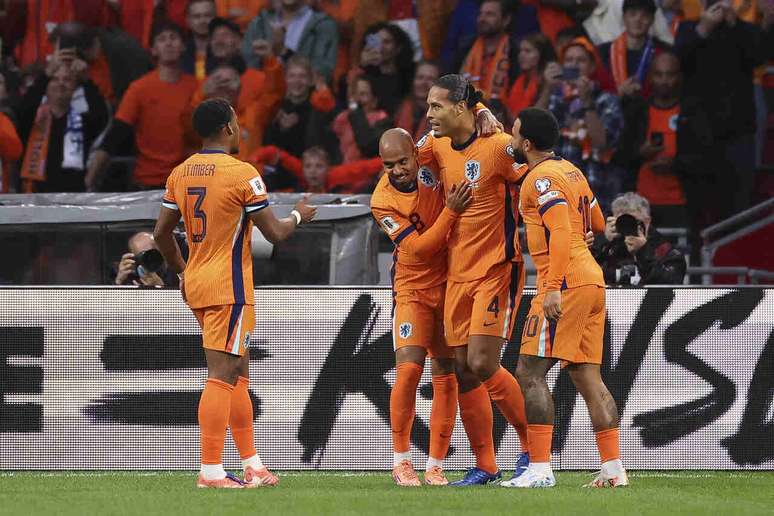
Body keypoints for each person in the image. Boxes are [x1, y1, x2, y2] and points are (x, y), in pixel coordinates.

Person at [153, 97, 316, 488]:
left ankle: (252, 463)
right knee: (222, 376)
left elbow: (161, 234)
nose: (240, 128)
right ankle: (210, 470)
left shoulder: (181, 173)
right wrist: (298, 215)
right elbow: (274, 233)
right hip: (230, 287)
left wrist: (181, 271)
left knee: (238, 372)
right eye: (237, 122)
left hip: (197, 283)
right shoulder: (244, 174)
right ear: (228, 127)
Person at [500, 107, 628, 489]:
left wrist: (552, 285)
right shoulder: (571, 170)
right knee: (587, 376)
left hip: (565, 282)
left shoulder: (538, 180)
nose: (509, 138)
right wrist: (580, 234)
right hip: (591, 279)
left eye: (514, 133)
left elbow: (557, 230)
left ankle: (539, 468)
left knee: (529, 371)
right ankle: (613, 467)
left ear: (526, 143)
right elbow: (599, 224)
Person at [416, 74, 530, 486]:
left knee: (483, 362)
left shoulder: (499, 147)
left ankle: (532, 450)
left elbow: (538, 172)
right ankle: (486, 464)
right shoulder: (436, 145)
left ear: (460, 107)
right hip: (456, 274)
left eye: (436, 106)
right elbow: (403, 158)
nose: (428, 115)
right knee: (464, 369)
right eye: (428, 106)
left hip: (497, 268)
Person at [371, 128, 472, 486]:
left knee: (446, 374)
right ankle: (401, 461)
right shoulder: (381, 201)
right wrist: (451, 212)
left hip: (449, 283)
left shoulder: (429, 152)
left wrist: (482, 112)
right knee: (409, 371)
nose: (397, 170)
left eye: (402, 162)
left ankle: (435, 465)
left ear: (415, 154)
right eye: (389, 165)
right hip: (412, 288)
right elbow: (416, 250)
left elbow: (454, 118)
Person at [675, 0, 774, 225]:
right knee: (700, 206)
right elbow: (679, 59)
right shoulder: (688, 28)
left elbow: (760, 54)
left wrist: (735, 24)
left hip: (737, 131)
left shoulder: (745, 31)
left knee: (737, 204)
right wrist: (704, 29)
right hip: (698, 135)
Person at [86, 22, 198, 191]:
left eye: (173, 38)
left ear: (183, 47)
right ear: (153, 50)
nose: (168, 43)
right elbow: (117, 133)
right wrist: (90, 178)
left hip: (189, 182)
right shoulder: (139, 88)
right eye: (162, 39)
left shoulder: (197, 87)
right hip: (147, 182)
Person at [537, 37, 625, 209]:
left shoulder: (607, 100)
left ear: (592, 67)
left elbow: (602, 142)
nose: (574, 65)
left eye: (581, 60)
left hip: (596, 193)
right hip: (556, 194)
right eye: (569, 60)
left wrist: (587, 102)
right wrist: (547, 88)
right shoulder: (554, 99)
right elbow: (531, 131)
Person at [17, 50, 109, 193]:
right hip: (33, 197)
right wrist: (46, 74)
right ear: (46, 84)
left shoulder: (83, 122)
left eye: (67, 80)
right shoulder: (32, 119)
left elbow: (101, 115)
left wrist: (86, 80)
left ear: (75, 88)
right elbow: (24, 108)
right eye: (54, 79)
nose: (61, 84)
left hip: (73, 199)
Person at [617, 52, 688, 227]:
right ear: (650, 77)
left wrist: (676, 164)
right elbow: (619, 155)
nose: (664, 80)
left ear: (679, 77)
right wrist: (640, 154)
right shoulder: (637, 112)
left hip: (682, 202)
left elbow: (705, 156)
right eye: (659, 74)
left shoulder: (691, 113)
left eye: (670, 74)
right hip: (641, 204)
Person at [593, 191, 686, 285]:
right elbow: (584, 275)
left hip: (651, 299)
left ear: (647, 221)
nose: (629, 227)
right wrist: (603, 241)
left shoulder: (665, 251)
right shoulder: (607, 248)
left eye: (634, 222)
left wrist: (643, 251)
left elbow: (670, 287)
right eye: (624, 222)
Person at [242, 0, 339, 81]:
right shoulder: (260, 22)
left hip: (304, 100)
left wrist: (283, 51)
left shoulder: (324, 25)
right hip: (265, 96)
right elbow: (249, 66)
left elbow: (321, 73)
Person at [263, 55, 336, 159]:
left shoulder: (319, 106)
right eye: (292, 76)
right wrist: (281, 129)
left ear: (311, 80)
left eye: (302, 76)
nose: (297, 81)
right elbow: (267, 144)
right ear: (285, 79)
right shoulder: (277, 107)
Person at [597, 0, 671, 98]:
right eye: (632, 14)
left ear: (652, 20)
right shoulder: (603, 52)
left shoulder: (664, 52)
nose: (638, 20)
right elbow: (598, 90)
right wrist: (618, 93)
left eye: (644, 16)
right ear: (624, 18)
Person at [252, 145, 383, 193]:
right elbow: (276, 153)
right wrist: (254, 160)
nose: (313, 171)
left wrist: (388, 162)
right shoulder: (295, 190)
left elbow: (363, 168)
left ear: (327, 169)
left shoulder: (338, 183)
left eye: (319, 166)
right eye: (308, 166)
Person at [352, 22, 416, 115]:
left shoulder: (410, 75)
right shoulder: (364, 74)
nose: (380, 47)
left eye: (387, 42)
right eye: (376, 42)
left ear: (398, 48)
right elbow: (352, 101)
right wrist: (361, 67)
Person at [333, 75, 391, 163]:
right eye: (354, 93)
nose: (357, 99)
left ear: (374, 100)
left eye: (363, 94)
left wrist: (356, 111)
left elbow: (367, 145)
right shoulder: (341, 119)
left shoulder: (382, 119)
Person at [505, 33, 557, 123]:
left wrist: (547, 89)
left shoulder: (550, 81)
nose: (521, 55)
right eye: (520, 51)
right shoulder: (517, 80)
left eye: (528, 51)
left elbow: (535, 119)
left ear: (541, 55)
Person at [113, 231, 181, 287]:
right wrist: (119, 282)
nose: (149, 259)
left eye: (153, 254)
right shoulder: (132, 277)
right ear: (134, 259)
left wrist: (160, 287)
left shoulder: (177, 271)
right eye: (143, 256)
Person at [394, 61, 441, 142]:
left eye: (430, 79)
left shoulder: (444, 116)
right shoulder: (401, 108)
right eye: (420, 77)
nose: (423, 83)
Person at [182, 0, 218, 80]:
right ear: (188, 21)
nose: (202, 21)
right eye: (196, 16)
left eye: (208, 15)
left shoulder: (229, 53)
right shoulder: (179, 53)